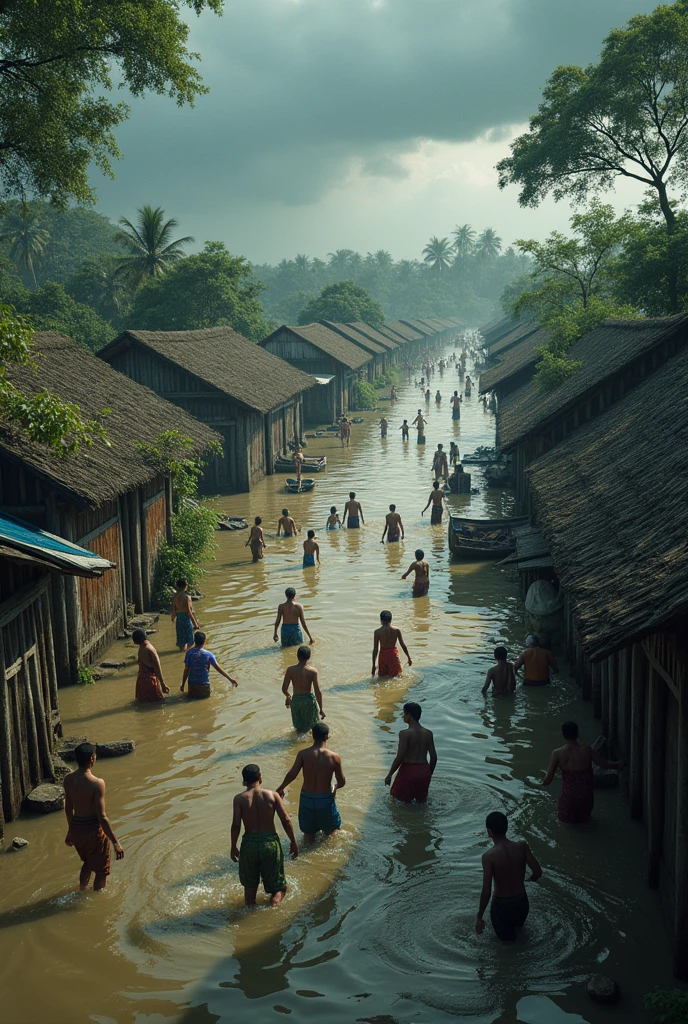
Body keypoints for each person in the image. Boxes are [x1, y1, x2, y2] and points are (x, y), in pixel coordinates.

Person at [230, 763, 298, 907]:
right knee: (279, 888)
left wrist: (233, 846)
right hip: (270, 843)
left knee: (249, 891)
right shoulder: (272, 795)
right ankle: (274, 907)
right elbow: (286, 820)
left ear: (244, 782)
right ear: (260, 778)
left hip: (249, 845)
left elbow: (236, 825)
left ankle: (249, 919)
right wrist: (293, 841)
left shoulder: (239, 799)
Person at [63, 742, 124, 891]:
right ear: (92, 758)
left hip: (77, 829)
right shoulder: (97, 783)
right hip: (93, 831)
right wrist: (115, 842)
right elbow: (102, 817)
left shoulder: (68, 779)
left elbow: (68, 808)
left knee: (88, 863)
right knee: (101, 871)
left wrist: (71, 830)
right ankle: (97, 898)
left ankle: (82, 890)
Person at [475, 811, 542, 941]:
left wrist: (479, 916)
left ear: (489, 831)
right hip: (522, 902)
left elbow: (486, 891)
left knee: (507, 947)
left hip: (502, 906)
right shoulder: (522, 847)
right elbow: (538, 872)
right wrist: (528, 881)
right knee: (521, 936)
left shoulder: (488, 857)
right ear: (507, 827)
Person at [542, 721, 626, 824]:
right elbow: (605, 764)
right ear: (578, 733)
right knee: (584, 823)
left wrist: (539, 783)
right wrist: (619, 764)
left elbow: (548, 780)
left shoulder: (557, 753)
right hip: (586, 796)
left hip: (568, 797)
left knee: (566, 825)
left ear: (563, 734)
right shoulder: (587, 750)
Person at [277, 722, 345, 841]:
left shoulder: (303, 754)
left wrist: (281, 788)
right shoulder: (334, 757)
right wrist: (335, 787)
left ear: (312, 735)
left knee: (308, 834)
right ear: (327, 736)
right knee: (331, 833)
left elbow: (292, 774)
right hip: (325, 799)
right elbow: (342, 782)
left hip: (306, 799)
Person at [384, 702, 436, 802]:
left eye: (404, 714)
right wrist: (429, 774)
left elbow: (400, 757)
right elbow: (434, 757)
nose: (403, 716)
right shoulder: (428, 733)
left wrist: (389, 774)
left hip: (408, 770)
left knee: (399, 802)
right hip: (424, 770)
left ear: (409, 715)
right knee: (421, 803)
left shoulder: (405, 733)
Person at [180, 631, 238, 698]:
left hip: (192, 688)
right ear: (205, 641)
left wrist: (183, 685)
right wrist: (230, 679)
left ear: (194, 641)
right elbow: (218, 668)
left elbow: (186, 670)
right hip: (204, 688)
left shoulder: (189, 654)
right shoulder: (208, 655)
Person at [282, 645, 325, 733]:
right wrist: (321, 709)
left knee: (299, 729)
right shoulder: (313, 671)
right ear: (309, 657)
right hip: (309, 701)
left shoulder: (290, 670)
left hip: (296, 701)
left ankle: (298, 744)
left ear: (297, 656)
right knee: (312, 727)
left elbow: (284, 688)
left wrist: (288, 696)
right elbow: (317, 691)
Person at [372, 610, 412, 677]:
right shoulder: (396, 630)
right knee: (397, 676)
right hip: (393, 654)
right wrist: (408, 657)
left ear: (381, 620)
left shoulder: (377, 632)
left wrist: (373, 666)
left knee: (382, 677)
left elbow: (375, 649)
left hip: (383, 655)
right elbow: (402, 645)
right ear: (391, 620)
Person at [133, 629, 169, 702]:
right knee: (160, 703)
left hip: (141, 681)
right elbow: (157, 667)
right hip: (150, 680)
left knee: (143, 703)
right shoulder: (150, 649)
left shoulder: (142, 648)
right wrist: (163, 684)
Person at [171, 579, 198, 652]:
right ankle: (187, 653)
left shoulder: (175, 597)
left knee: (181, 639)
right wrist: (195, 624)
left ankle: (181, 652)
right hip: (186, 619)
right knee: (190, 640)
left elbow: (173, 610)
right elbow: (189, 612)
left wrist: (173, 618)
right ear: (185, 586)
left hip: (179, 620)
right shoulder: (187, 597)